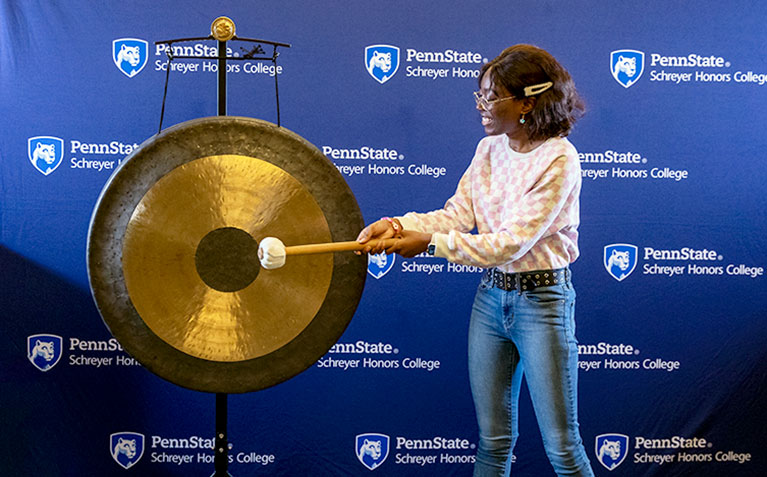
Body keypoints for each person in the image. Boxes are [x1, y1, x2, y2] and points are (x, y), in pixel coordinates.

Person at [356, 44, 594, 476]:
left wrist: (429, 243)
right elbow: (456, 215)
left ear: (527, 101)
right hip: (491, 300)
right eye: (479, 96)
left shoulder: (560, 159)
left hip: (543, 301)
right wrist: (395, 225)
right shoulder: (489, 150)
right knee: (493, 445)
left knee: (563, 448)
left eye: (492, 97)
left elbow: (509, 244)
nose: (482, 107)